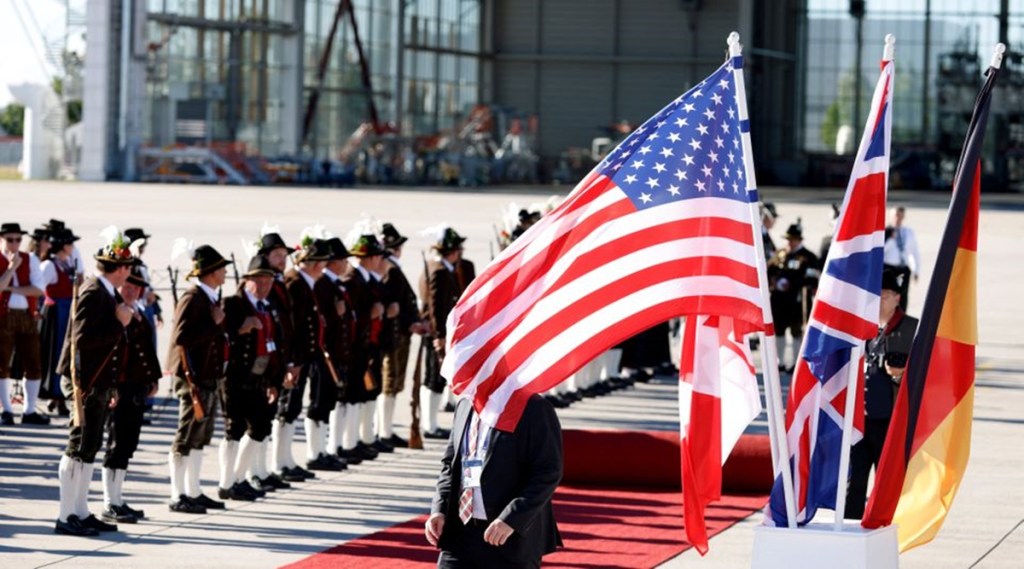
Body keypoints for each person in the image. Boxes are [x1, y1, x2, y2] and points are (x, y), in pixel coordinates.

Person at [54, 229, 136, 536]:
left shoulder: (105, 292)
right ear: (120, 268)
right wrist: (119, 324)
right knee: (77, 445)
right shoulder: (92, 292)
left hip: (96, 380)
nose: (130, 272)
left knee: (90, 446)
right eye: (128, 266)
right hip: (83, 381)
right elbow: (82, 342)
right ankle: (65, 516)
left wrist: (110, 383)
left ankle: (80, 510)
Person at [425, 394, 563, 567]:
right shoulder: (465, 403)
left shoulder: (533, 407)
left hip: (508, 536)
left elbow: (548, 472)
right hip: (461, 532)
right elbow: (450, 465)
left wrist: (512, 518)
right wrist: (440, 509)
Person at [845, 270, 917, 520]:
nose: (880, 301)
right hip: (859, 420)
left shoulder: (912, 330)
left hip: (890, 421)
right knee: (854, 482)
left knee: (887, 481)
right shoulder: (861, 328)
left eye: (886, 295)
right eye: (877, 296)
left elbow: (923, 378)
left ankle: (886, 525)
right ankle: (851, 526)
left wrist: (898, 375)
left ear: (897, 298)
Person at [166, 245, 232, 514]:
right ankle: (177, 493)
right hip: (193, 377)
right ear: (212, 272)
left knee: (200, 436)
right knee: (186, 434)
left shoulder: (210, 297)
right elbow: (180, 339)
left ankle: (193, 490)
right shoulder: (193, 298)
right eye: (221, 268)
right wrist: (213, 324)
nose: (225, 272)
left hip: (208, 376)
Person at [218, 255, 283, 502]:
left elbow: (276, 346)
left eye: (268, 281)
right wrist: (240, 329)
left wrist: (274, 381)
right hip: (235, 377)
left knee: (259, 427)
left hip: (259, 377)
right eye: (260, 281)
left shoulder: (268, 307)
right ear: (247, 281)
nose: (265, 286)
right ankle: (227, 483)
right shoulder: (233, 304)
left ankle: (238, 477)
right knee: (233, 428)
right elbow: (221, 338)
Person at [102, 262, 161, 523]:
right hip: (121, 386)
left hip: (136, 386)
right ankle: (109, 502)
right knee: (116, 444)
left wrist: (153, 377)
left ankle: (118, 499)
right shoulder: (118, 312)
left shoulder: (139, 312)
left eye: (137, 287)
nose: (133, 291)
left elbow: (147, 349)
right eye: (129, 286)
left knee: (128, 444)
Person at [283, 236, 343, 473]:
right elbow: (293, 328)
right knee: (286, 410)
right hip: (297, 357)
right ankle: (282, 463)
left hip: (307, 355)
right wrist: (293, 360)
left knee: (295, 408)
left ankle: (290, 461)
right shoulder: (295, 283)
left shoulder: (307, 283)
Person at [341, 232, 392, 459]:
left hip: (369, 344)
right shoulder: (352, 279)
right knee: (353, 394)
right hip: (356, 345)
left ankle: (359, 439)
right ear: (368, 258)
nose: (380, 260)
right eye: (377, 256)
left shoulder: (368, 278)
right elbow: (351, 315)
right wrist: (370, 314)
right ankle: (349, 443)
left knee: (363, 393)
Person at [379, 222, 427, 448]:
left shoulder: (392, 268)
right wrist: (411, 323)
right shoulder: (390, 270)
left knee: (395, 384)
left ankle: (386, 430)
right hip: (395, 334)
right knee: (389, 384)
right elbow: (394, 304)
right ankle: (383, 431)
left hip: (402, 334)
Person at [0, 222, 48, 425]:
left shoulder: (31, 259)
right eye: (10, 239)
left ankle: (29, 410)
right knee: (1, 364)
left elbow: (39, 289)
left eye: (18, 240)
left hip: (27, 314)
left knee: (33, 362)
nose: (15, 243)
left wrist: (10, 289)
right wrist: (11, 269)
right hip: (3, 315)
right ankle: (6, 409)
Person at [420, 227, 465, 439]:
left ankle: (429, 423)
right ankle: (429, 425)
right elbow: (436, 307)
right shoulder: (439, 271)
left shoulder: (434, 266)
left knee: (434, 378)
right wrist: (440, 335)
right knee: (434, 379)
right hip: (437, 333)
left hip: (436, 332)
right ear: (453, 252)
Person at [769, 219, 820, 372]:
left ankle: (796, 362)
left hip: (797, 301)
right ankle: (780, 361)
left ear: (799, 240)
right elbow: (768, 271)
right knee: (778, 330)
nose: (789, 243)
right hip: (779, 301)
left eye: (792, 240)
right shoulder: (780, 254)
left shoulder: (808, 257)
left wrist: (794, 284)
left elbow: (812, 279)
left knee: (796, 331)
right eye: (788, 240)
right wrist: (774, 281)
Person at [39, 229, 79, 416]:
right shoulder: (49, 265)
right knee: (55, 353)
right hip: (56, 314)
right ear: (63, 246)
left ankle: (61, 395)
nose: (72, 247)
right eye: (70, 244)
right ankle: (55, 394)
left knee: (65, 353)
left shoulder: (67, 262)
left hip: (67, 312)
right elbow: (40, 287)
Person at [883, 206, 920, 311]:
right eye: (896, 216)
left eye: (900, 216)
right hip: (888, 268)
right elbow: (880, 252)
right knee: (887, 296)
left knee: (902, 297)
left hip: (903, 268)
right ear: (891, 217)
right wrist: (889, 238)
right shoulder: (886, 232)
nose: (898, 219)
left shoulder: (908, 233)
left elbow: (914, 252)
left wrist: (916, 270)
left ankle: (901, 320)